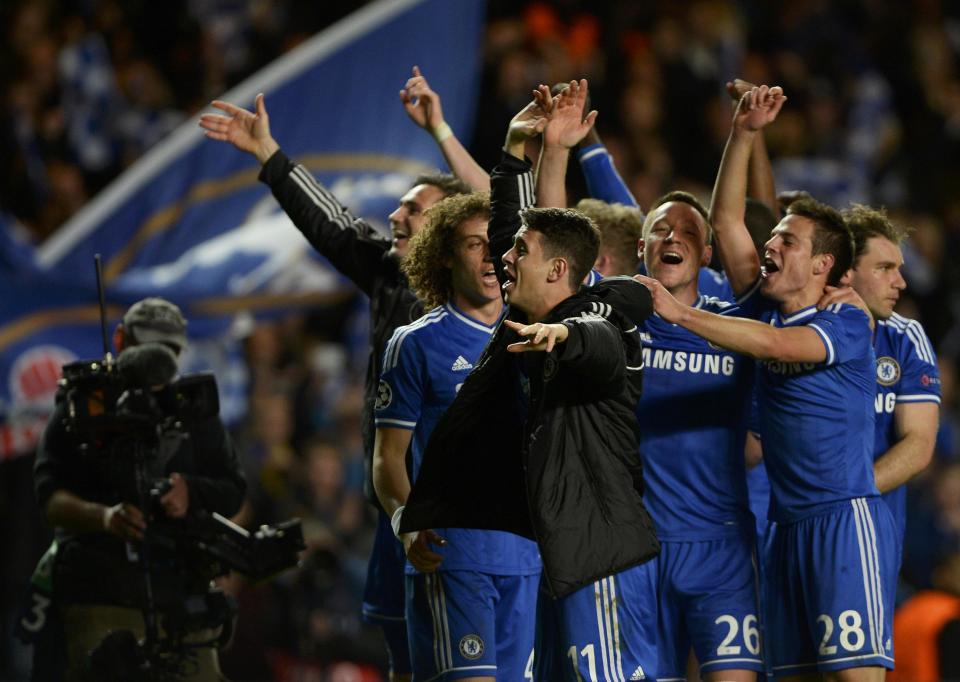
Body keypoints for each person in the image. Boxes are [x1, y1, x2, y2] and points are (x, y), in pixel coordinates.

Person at [199, 94, 471, 681]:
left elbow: (509, 212)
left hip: (458, 518)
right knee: (400, 651)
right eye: (398, 208)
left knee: (462, 657)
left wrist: (444, 131)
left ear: (454, 234)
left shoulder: (486, 298)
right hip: (389, 506)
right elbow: (332, 224)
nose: (396, 218)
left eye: (413, 211)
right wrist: (269, 154)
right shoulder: (388, 274)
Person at [399, 80, 660, 682]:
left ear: (560, 270)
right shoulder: (523, 316)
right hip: (552, 556)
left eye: (519, 252)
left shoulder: (600, 313)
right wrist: (520, 149)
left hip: (600, 561)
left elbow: (598, 344)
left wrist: (562, 338)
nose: (502, 259)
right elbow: (516, 223)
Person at [637, 87, 897, 680]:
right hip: (783, 527)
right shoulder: (761, 305)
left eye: (786, 241)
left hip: (840, 519)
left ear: (823, 265)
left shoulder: (847, 319)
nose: (770, 245)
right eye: (772, 238)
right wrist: (745, 132)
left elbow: (780, 348)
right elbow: (726, 218)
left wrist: (682, 317)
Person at [372, 191, 541, 681]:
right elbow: (388, 459)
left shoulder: (537, 335)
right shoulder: (416, 343)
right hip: (453, 557)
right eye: (473, 245)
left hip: (526, 560)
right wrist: (406, 521)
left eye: (498, 245)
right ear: (444, 254)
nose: (490, 257)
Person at [32, 297, 246, 682]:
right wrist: (103, 517)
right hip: (101, 592)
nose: (156, 359)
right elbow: (50, 498)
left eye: (168, 350)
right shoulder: (85, 405)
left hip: (181, 595)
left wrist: (190, 492)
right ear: (120, 339)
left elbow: (234, 489)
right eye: (146, 346)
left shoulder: (193, 407)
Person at [633, 190, 765, 681]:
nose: (674, 238)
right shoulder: (617, 323)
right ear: (641, 247)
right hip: (637, 549)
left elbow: (757, 441)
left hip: (721, 547)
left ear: (707, 255)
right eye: (663, 230)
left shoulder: (735, 327)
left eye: (689, 232)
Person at [842, 204, 940, 557]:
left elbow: (919, 444)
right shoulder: (799, 336)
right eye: (885, 269)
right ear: (846, 272)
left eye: (899, 269)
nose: (901, 282)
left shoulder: (905, 338)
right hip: (791, 523)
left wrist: (842, 497)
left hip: (870, 524)